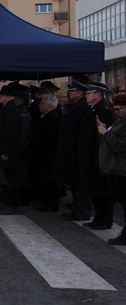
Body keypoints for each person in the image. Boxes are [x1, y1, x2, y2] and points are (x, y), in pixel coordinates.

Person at [53, 77, 98, 221]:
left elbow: (84, 133)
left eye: (71, 91)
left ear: (79, 93)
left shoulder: (84, 108)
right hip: (71, 150)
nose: (69, 93)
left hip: (79, 151)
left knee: (81, 183)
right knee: (73, 181)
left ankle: (83, 210)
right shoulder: (74, 106)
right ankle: (77, 207)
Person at [0, 84, 27, 215]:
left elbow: (10, 133)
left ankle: (13, 204)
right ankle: (9, 203)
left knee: (12, 180)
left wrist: (5, 151)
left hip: (10, 152)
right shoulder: (5, 108)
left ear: (10, 97)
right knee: (8, 178)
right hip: (5, 150)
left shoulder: (11, 110)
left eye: (3, 95)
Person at [85, 83, 117, 229]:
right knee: (95, 189)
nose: (87, 95)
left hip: (101, 156)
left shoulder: (104, 111)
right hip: (94, 154)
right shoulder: (95, 109)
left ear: (98, 95)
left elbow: (107, 135)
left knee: (103, 189)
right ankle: (99, 217)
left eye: (89, 93)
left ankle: (105, 219)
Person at [96, 92, 126, 245]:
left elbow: (121, 146)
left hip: (120, 169)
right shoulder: (120, 121)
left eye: (119, 108)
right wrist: (104, 130)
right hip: (114, 168)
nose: (116, 111)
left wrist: (105, 134)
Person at [30, 93, 62, 212]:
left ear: (49, 105)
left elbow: (50, 138)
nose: (39, 105)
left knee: (50, 180)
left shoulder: (52, 118)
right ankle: (47, 201)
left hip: (48, 155)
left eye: (42, 103)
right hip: (44, 154)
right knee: (46, 179)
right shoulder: (46, 116)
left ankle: (51, 203)